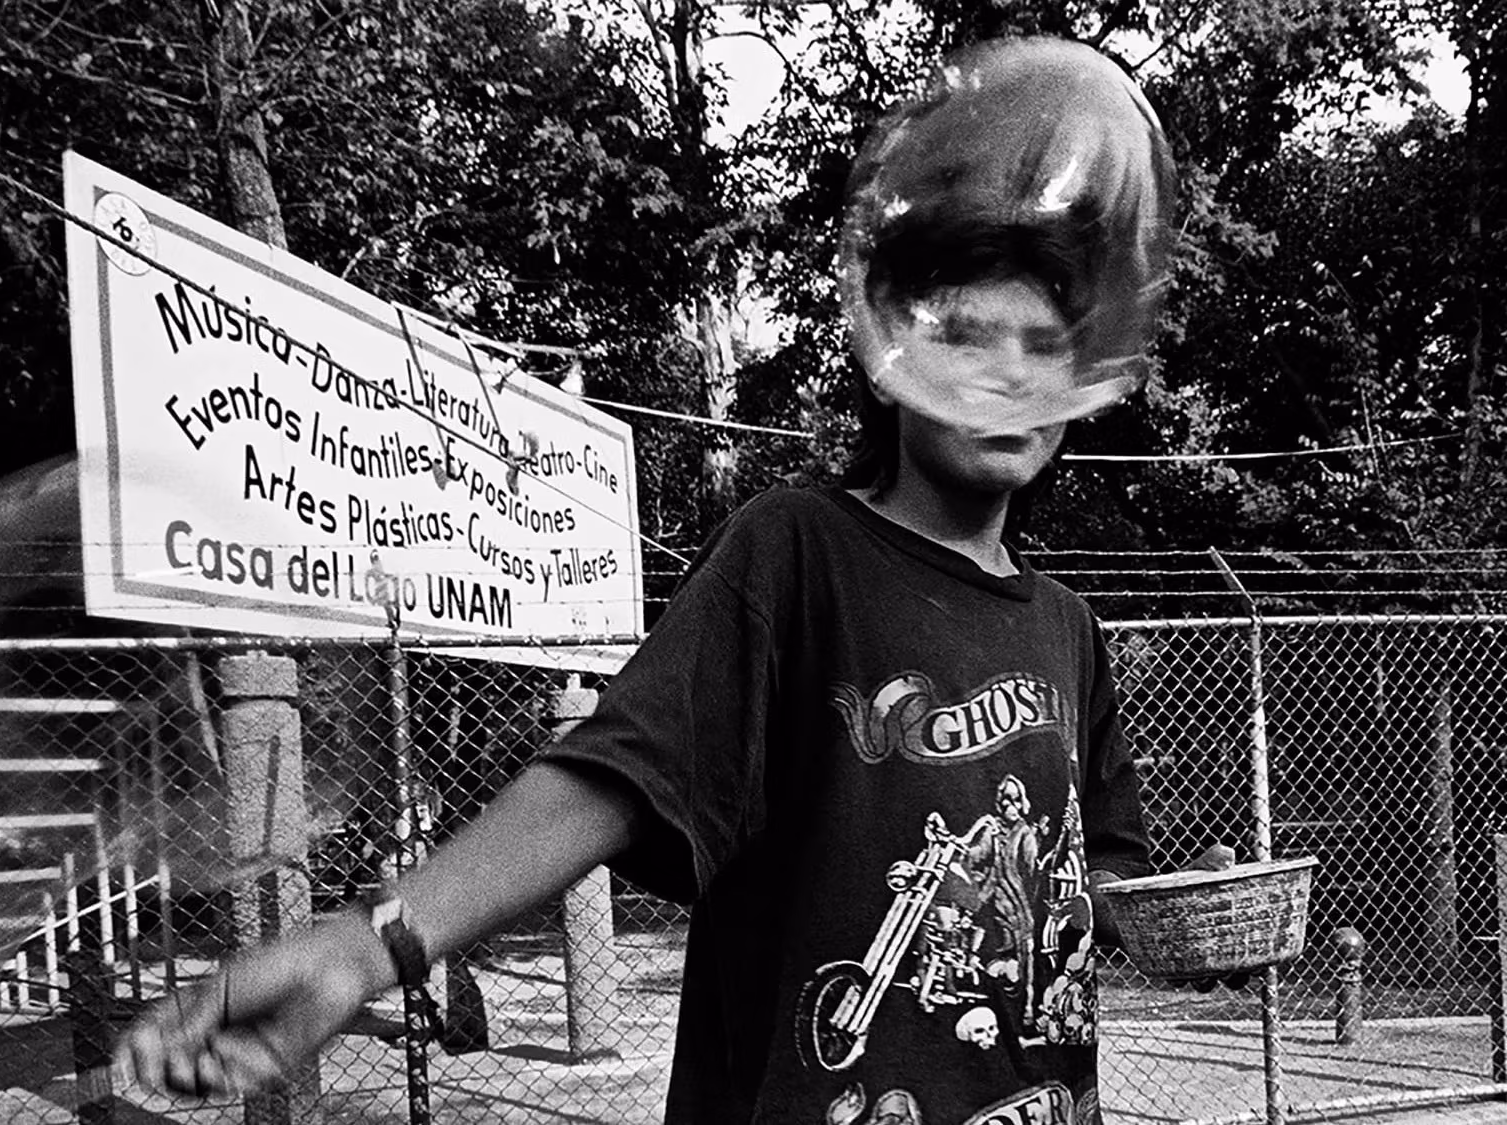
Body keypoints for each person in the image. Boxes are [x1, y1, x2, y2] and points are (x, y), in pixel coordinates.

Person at [119, 36, 1178, 1125]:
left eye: (1040, 346)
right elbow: (617, 775)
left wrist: (1180, 917)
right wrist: (366, 948)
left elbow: (1092, 882)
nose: (1005, 371)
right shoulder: (799, 553)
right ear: (894, 361)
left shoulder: (1069, 627)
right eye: (966, 336)